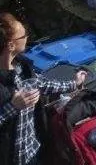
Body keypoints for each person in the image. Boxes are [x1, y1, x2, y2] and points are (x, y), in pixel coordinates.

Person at [0, 13, 87, 165]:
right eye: (24, 35)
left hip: (33, 152)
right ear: (10, 45)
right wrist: (12, 107)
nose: (27, 37)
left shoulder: (22, 67)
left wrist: (74, 83)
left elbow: (42, 84)